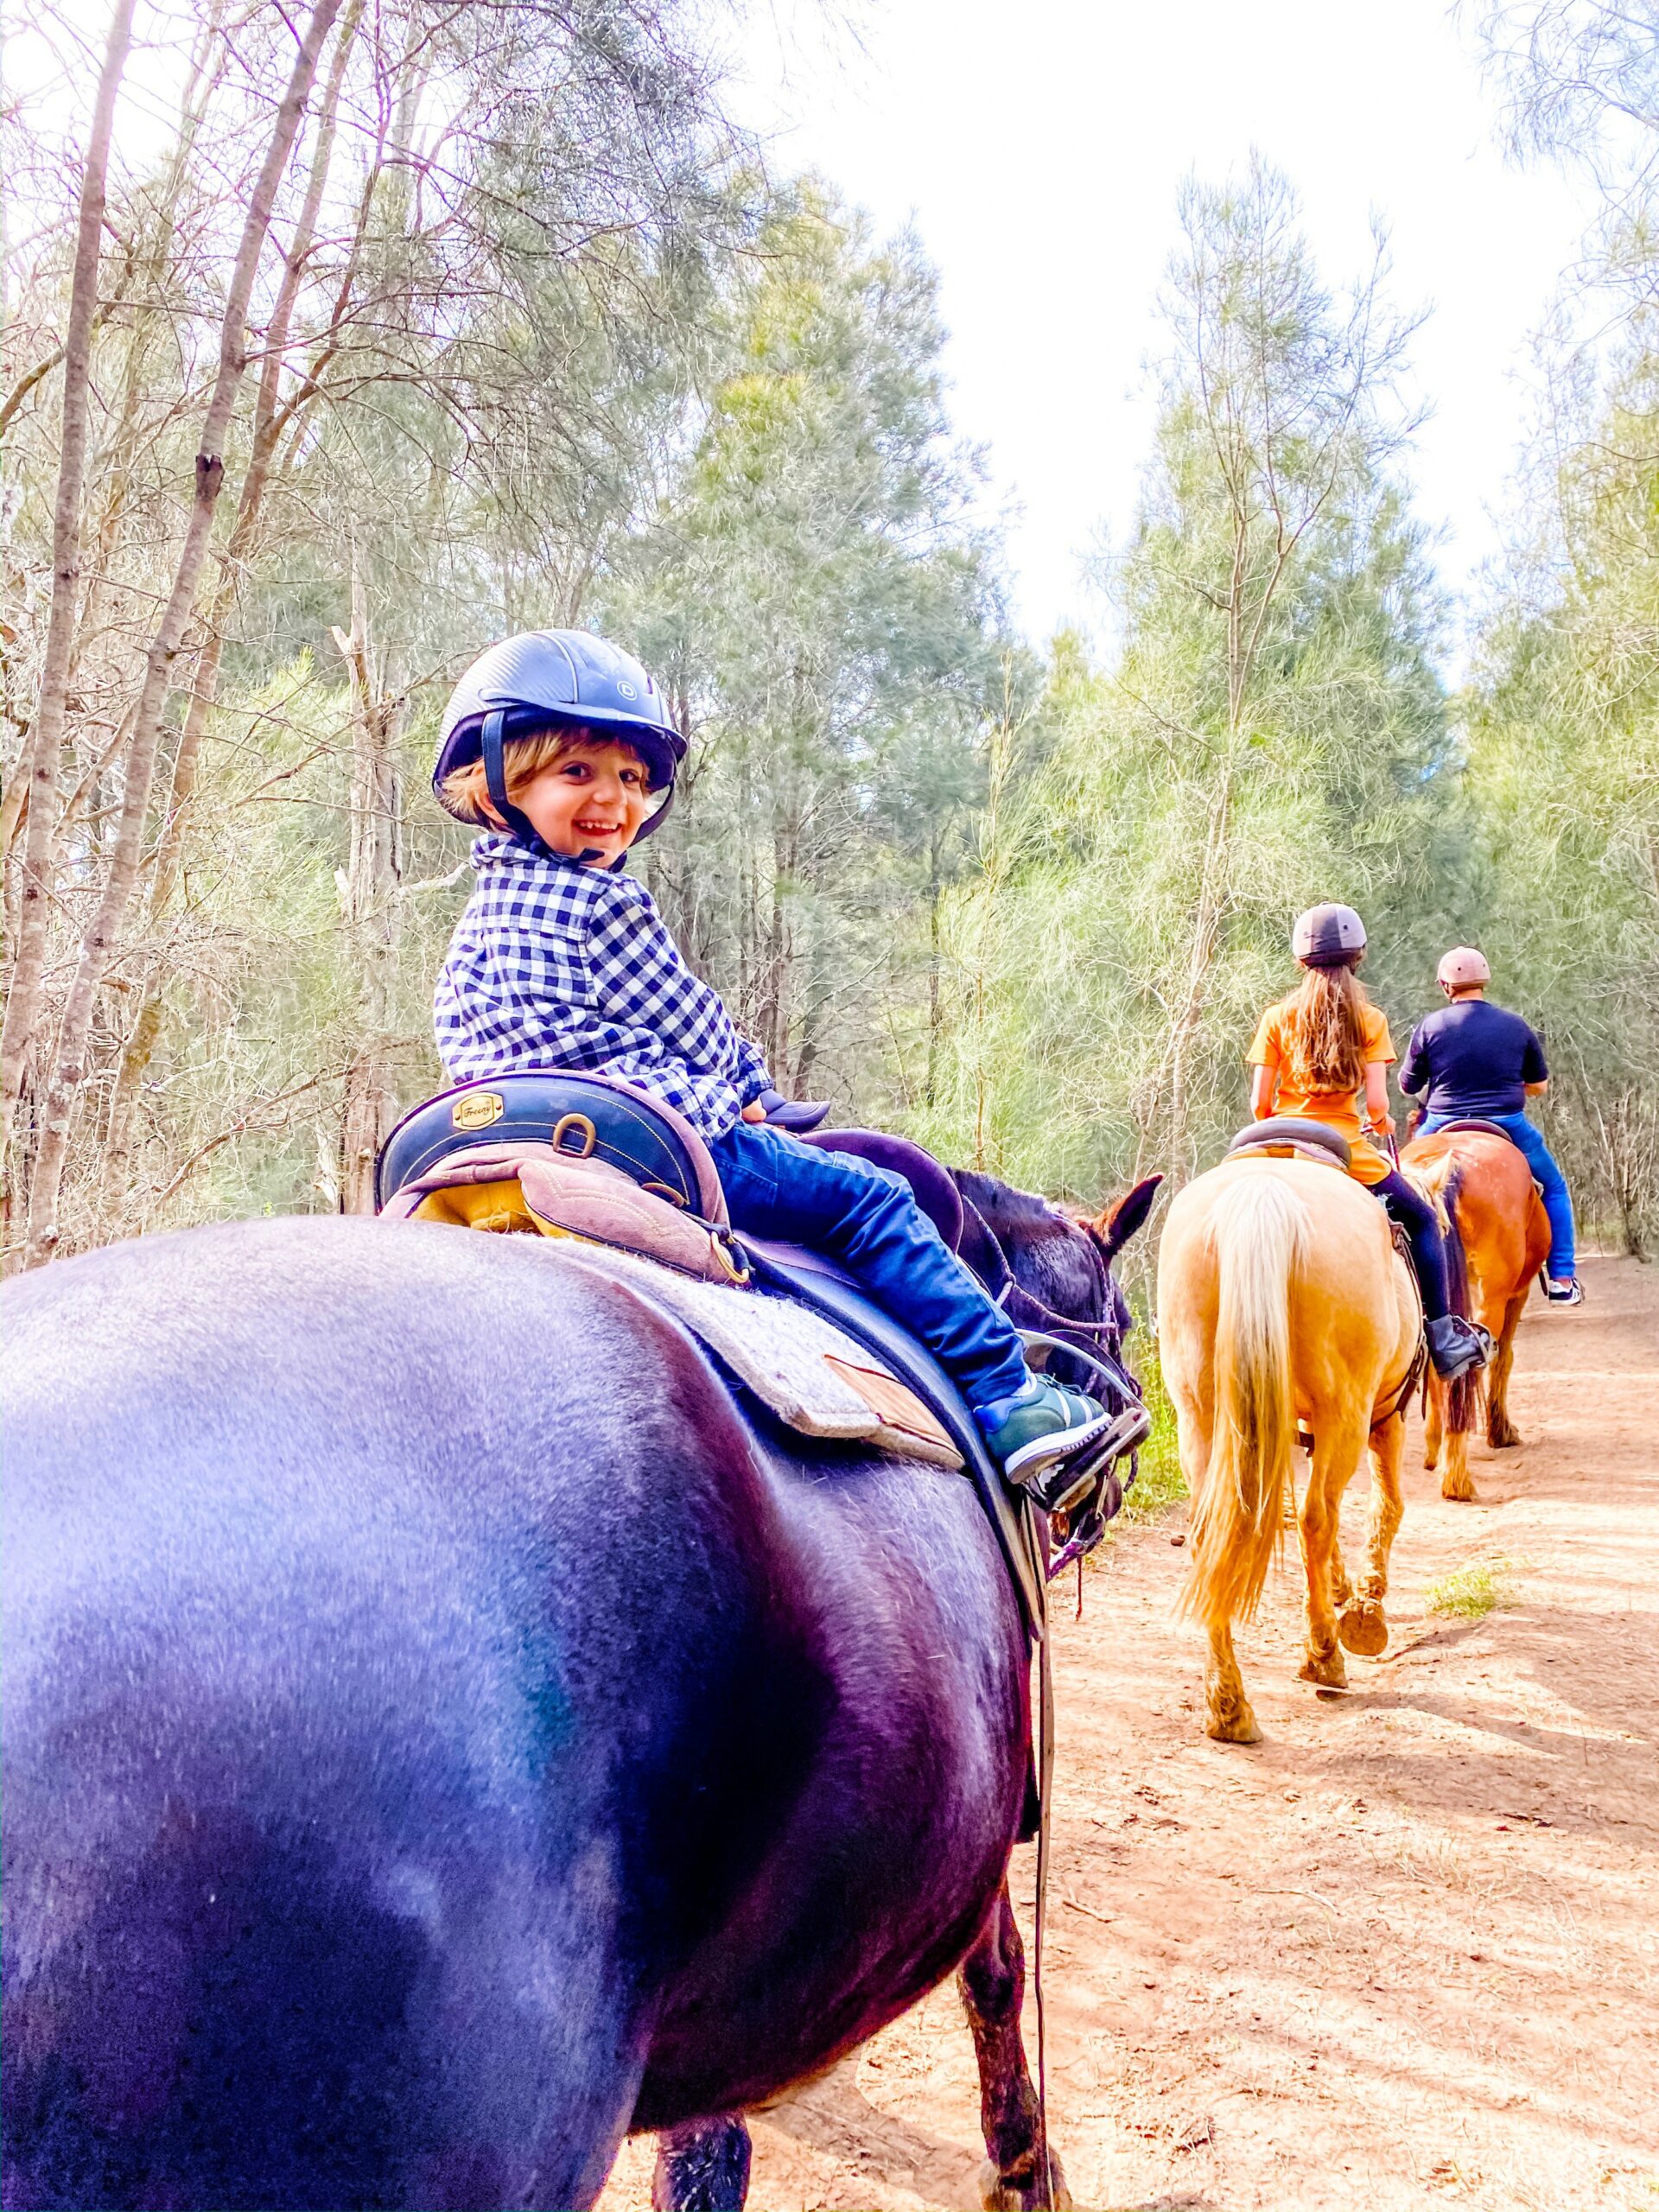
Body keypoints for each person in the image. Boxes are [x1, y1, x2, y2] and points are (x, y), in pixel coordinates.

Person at [429, 627, 1111, 1500]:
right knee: (874, 1200)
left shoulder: (476, 922)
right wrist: (752, 1091)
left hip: (508, 1139)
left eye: (633, 780)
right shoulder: (604, 900)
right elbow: (690, 1019)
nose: (614, 799)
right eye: (579, 772)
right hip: (644, 1143)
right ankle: (1006, 1394)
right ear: (498, 783)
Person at [1246, 904, 1489, 1382]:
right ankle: (1443, 1338)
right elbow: (1377, 1101)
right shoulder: (1369, 1019)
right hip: (1344, 1151)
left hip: (1273, 1146)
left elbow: (1259, 1104)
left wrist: (1278, 1127)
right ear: (1356, 958)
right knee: (1422, 1219)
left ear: (1301, 961)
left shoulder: (1276, 1016)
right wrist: (1382, 1122)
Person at [1401, 948, 1581, 1306]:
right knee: (1556, 1188)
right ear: (1484, 981)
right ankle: (1562, 1278)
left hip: (1441, 1122)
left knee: (1402, 1184)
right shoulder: (1515, 1025)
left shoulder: (1431, 1026)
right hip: (1507, 1123)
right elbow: (1540, 1086)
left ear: (1444, 985)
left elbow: (1408, 1086)